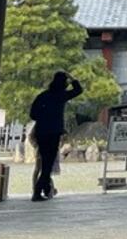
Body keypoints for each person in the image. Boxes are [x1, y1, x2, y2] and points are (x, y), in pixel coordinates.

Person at [28, 70, 85, 202]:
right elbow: (78, 90)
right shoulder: (61, 96)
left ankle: (46, 190)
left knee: (45, 162)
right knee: (48, 164)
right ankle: (37, 191)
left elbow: (33, 115)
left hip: (41, 132)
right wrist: (71, 78)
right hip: (54, 132)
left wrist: (43, 117)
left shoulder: (42, 96)